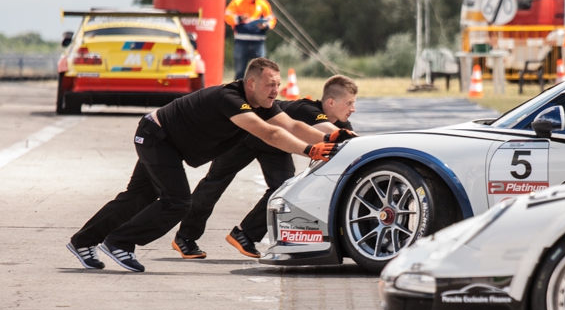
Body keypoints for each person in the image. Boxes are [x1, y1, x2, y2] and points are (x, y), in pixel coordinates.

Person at [66, 58, 354, 273]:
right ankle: (120, 242)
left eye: (278, 84)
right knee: (177, 202)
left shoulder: (264, 103)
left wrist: (331, 136)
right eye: (270, 84)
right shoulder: (230, 99)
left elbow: (290, 124)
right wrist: (310, 150)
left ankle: (83, 241)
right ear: (251, 83)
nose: (275, 90)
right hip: (156, 137)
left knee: (138, 197)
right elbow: (270, 133)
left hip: (168, 143)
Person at [172, 75, 359, 259]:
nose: (353, 109)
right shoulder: (307, 109)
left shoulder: (342, 123)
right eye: (349, 103)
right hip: (246, 137)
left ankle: (244, 234)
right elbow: (330, 132)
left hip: (276, 146)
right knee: (215, 184)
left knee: (283, 188)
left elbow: (350, 142)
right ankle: (185, 237)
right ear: (331, 102)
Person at [226, 0, 277, 80]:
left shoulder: (263, 3)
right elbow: (227, 16)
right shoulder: (238, 1)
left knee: (260, 70)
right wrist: (239, 18)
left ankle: (258, 93)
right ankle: (238, 93)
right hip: (241, 41)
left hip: (258, 42)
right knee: (239, 70)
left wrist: (265, 26)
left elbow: (272, 19)